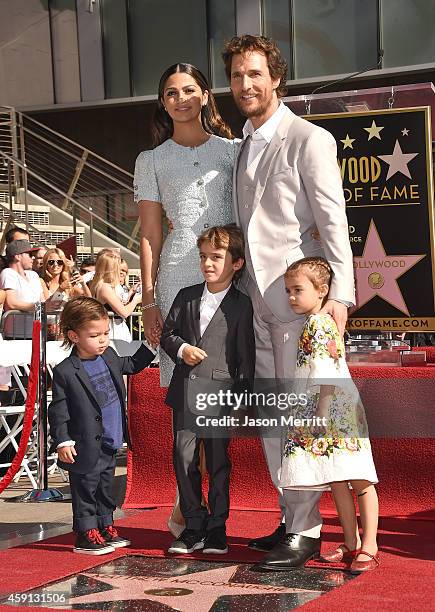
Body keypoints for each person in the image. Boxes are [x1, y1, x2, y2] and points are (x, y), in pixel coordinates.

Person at [222, 34, 355, 569]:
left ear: (276, 77)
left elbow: (333, 223)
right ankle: (291, 518)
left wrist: (339, 298)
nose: (245, 84)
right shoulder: (243, 145)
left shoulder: (308, 138)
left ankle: (306, 529)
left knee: (303, 419)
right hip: (256, 305)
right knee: (276, 422)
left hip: (301, 308)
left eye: (255, 74)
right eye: (236, 76)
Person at [134, 62, 237, 387]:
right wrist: (149, 301)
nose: (181, 98)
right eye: (172, 93)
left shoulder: (233, 151)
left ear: (205, 96)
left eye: (189, 90)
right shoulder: (151, 160)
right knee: (186, 390)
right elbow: (150, 235)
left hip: (232, 275)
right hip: (177, 279)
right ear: (163, 103)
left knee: (226, 382)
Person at [160, 224, 255, 555]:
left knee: (217, 461)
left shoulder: (242, 305)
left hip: (221, 395)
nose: (208, 263)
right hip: (185, 390)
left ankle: (217, 528)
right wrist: (182, 349)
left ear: (237, 263)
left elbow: (245, 355)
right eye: (203, 257)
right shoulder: (186, 295)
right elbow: (168, 335)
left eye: (217, 257)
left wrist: (243, 396)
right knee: (182, 456)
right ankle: (193, 525)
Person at [280, 257, 379, 574]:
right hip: (327, 407)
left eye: (297, 289)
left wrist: (321, 412)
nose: (291, 296)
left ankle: (370, 544)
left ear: (321, 290)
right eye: (288, 291)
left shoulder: (319, 324)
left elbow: (326, 372)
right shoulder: (314, 322)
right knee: (336, 477)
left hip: (335, 411)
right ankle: (350, 542)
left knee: (358, 477)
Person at [48, 296, 155, 555]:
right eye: (95, 335)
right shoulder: (65, 371)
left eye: (106, 333)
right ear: (74, 336)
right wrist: (62, 440)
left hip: (111, 438)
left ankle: (106, 525)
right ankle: (85, 534)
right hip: (84, 443)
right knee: (86, 487)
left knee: (105, 486)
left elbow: (129, 365)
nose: (103, 339)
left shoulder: (108, 355)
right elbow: (58, 409)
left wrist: (151, 346)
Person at [90, 250, 141, 342]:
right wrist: (136, 300)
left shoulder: (101, 285)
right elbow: (124, 313)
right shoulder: (104, 287)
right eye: (118, 266)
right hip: (113, 331)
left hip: (116, 329)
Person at [0, 239, 43, 339]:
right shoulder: (8, 273)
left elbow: (43, 300)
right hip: (15, 336)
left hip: (37, 334)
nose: (33, 258)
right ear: (18, 256)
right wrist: (40, 307)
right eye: (29, 254)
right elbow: (11, 303)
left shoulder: (34, 275)